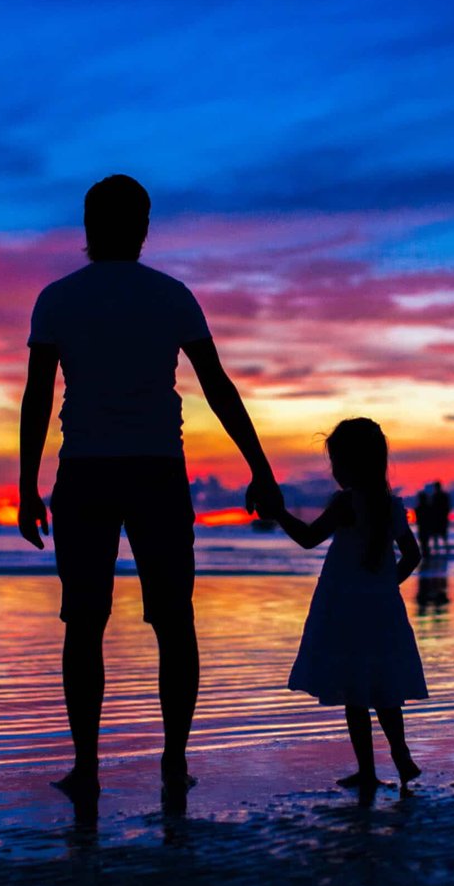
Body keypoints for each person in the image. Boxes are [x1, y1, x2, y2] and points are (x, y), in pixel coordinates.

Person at [17, 174, 281, 800]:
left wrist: (26, 485)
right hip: (156, 472)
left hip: (85, 473)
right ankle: (173, 759)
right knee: (173, 619)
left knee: (83, 623)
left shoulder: (57, 298)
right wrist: (260, 467)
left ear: (88, 228)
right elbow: (218, 386)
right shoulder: (171, 296)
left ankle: (87, 768)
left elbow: (36, 400)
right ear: (142, 228)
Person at [256, 418, 427, 791]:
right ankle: (401, 755)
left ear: (351, 463)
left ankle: (367, 771)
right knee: (383, 687)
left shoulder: (347, 503)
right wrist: (383, 587)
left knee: (355, 691)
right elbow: (413, 555)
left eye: (336, 461)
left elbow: (307, 538)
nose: (334, 470)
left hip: (346, 611)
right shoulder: (390, 505)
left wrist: (280, 514)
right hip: (381, 611)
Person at [431, 480, 452, 556]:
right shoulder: (442, 496)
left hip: (439, 519)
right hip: (441, 519)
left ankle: (439, 550)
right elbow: (448, 508)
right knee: (442, 536)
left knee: (439, 536)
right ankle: (443, 550)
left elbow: (433, 508)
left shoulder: (436, 496)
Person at [414, 485, 434, 557]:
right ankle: (426, 555)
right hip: (425, 526)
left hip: (422, 526)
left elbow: (418, 518)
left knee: (423, 542)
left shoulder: (419, 508)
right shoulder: (427, 507)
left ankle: (426, 555)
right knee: (425, 542)